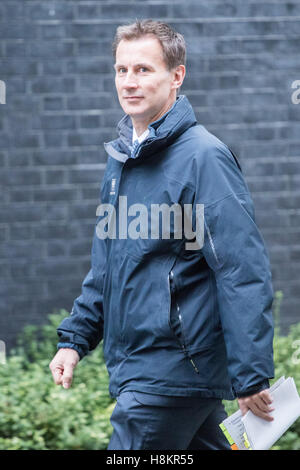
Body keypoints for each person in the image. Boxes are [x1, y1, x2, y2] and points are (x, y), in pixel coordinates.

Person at [49, 19, 275, 450]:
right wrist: (75, 339)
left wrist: (249, 374)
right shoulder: (121, 161)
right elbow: (108, 266)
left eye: (143, 70)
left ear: (177, 76)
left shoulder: (203, 157)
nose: (129, 82)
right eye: (122, 70)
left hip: (165, 375)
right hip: (164, 375)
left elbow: (241, 270)